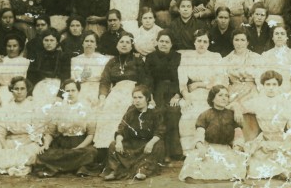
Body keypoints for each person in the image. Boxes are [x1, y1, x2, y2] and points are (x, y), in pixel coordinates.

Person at [0, 76, 51, 176]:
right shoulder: (7, 108)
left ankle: (2, 166)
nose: (19, 92)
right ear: (11, 90)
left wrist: (23, 143)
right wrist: (5, 146)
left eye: (22, 89)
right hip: (10, 141)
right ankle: (3, 166)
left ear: (27, 90)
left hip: (28, 143)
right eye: (16, 89)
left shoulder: (34, 107)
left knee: (27, 155)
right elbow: (1, 131)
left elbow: (37, 132)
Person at [242, 71, 291, 180]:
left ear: (279, 86)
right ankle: (277, 170)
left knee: (288, 155)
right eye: (268, 84)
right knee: (256, 159)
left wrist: (287, 142)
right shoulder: (257, 102)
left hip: (282, 139)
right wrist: (236, 109)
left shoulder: (285, 103)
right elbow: (240, 106)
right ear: (263, 85)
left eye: (274, 85)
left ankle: (282, 170)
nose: (271, 88)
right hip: (265, 139)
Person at [94, 33, 152, 150]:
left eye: (127, 42)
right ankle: (106, 147)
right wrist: (102, 97)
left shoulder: (137, 60)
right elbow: (105, 81)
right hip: (116, 92)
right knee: (106, 110)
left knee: (126, 110)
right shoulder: (112, 62)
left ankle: (123, 144)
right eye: (121, 42)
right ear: (117, 45)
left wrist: (139, 94)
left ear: (131, 46)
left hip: (133, 92)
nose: (124, 45)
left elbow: (144, 80)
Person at [178, 85, 247, 181]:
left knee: (239, 160)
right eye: (220, 95)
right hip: (209, 149)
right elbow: (199, 134)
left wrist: (237, 146)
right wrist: (200, 147)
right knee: (193, 160)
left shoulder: (232, 115)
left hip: (226, 150)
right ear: (212, 98)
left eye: (226, 96)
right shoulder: (205, 115)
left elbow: (238, 135)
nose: (224, 98)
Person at [33, 79, 98, 178]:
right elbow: (50, 132)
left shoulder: (86, 108)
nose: (70, 93)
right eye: (67, 91)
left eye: (73, 90)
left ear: (78, 91)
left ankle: (59, 167)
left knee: (91, 152)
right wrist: (46, 145)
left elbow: (90, 134)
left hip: (80, 143)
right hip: (62, 144)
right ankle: (76, 166)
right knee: (43, 154)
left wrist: (79, 147)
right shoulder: (58, 109)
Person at [102, 85, 165, 181]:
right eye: (135, 98)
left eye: (140, 97)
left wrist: (151, 143)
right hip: (132, 144)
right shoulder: (130, 112)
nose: (137, 100)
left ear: (147, 98)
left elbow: (160, 131)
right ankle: (115, 171)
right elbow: (121, 129)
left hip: (146, 144)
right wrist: (118, 142)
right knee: (113, 144)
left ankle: (143, 170)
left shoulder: (155, 113)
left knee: (159, 144)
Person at [177, 29, 226, 154]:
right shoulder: (187, 57)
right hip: (193, 94)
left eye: (205, 41)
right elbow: (182, 83)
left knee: (205, 113)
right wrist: (186, 97)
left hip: (211, 93)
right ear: (194, 42)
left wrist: (200, 84)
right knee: (188, 113)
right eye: (199, 41)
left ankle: (207, 148)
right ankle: (189, 150)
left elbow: (220, 80)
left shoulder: (215, 57)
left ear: (209, 43)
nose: (202, 44)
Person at [144, 30, 183, 160]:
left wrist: (177, 95)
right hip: (157, 90)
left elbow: (180, 77)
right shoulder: (151, 57)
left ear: (171, 44)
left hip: (173, 90)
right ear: (157, 42)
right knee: (158, 112)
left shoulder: (178, 57)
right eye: (161, 41)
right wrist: (150, 97)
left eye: (167, 42)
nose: (164, 44)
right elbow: (148, 78)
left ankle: (174, 152)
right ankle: (161, 152)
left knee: (173, 111)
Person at [222, 28, 266, 140]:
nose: (239, 43)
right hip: (233, 90)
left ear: (247, 42)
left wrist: (262, 94)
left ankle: (250, 139)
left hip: (252, 89)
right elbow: (223, 81)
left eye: (242, 40)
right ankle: (236, 140)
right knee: (231, 109)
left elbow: (260, 79)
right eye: (236, 40)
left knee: (254, 108)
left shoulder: (256, 58)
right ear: (232, 41)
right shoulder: (225, 60)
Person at [27, 28, 71, 105]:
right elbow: (31, 77)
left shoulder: (63, 56)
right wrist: (29, 93)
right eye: (46, 40)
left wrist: (60, 95)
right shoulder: (37, 56)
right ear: (42, 41)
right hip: (40, 85)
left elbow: (65, 77)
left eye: (52, 40)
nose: (49, 43)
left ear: (57, 42)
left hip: (57, 86)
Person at [70, 30, 111, 108]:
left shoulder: (104, 59)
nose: (89, 44)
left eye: (92, 41)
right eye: (86, 41)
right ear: (82, 43)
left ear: (96, 45)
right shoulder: (75, 60)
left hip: (97, 88)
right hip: (81, 88)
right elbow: (72, 79)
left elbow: (106, 80)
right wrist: (81, 78)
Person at [0, 34, 31, 107]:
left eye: (15, 46)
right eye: (9, 46)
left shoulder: (25, 62)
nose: (11, 49)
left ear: (20, 47)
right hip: (1, 94)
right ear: (5, 47)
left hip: (19, 93)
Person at [261, 25, 291, 97]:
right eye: (276, 34)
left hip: (289, 91)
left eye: (282, 34)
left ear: (287, 37)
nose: (279, 36)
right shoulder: (265, 55)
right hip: (270, 91)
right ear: (272, 37)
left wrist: (289, 94)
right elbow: (261, 78)